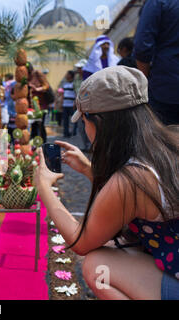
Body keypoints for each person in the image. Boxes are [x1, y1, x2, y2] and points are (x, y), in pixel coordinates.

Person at [34, 66, 179, 300]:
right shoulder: (170, 140)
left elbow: (80, 241)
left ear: (99, 122)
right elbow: (134, 199)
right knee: (115, 243)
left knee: (96, 266)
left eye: (84, 121)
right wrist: (88, 169)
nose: (84, 129)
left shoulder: (132, 180)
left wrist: (44, 187)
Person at [134, 0, 179, 125]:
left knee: (165, 141)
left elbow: (142, 47)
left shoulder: (157, 3)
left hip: (167, 91)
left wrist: (144, 80)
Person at [27, 62, 50, 142]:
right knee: (33, 126)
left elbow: (46, 86)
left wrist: (37, 89)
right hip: (31, 106)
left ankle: (43, 144)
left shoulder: (37, 74)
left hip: (41, 105)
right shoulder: (26, 77)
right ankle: (33, 145)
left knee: (40, 126)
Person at [73, 59, 91, 152]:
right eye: (78, 68)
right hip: (78, 106)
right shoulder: (76, 78)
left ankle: (91, 145)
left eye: (80, 68)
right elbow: (75, 91)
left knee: (89, 125)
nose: (79, 70)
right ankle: (86, 145)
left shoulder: (89, 78)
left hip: (88, 106)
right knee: (81, 127)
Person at [60, 70, 76, 138]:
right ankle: (66, 133)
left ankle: (74, 133)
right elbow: (63, 95)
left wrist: (75, 103)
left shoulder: (74, 84)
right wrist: (61, 103)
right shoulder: (65, 84)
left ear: (70, 75)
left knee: (74, 120)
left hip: (72, 105)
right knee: (65, 120)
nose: (66, 75)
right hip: (65, 105)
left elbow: (76, 94)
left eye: (67, 74)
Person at [3, 74, 16, 143]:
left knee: (13, 136)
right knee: (10, 135)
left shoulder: (7, 84)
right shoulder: (11, 101)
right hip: (11, 121)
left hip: (14, 122)